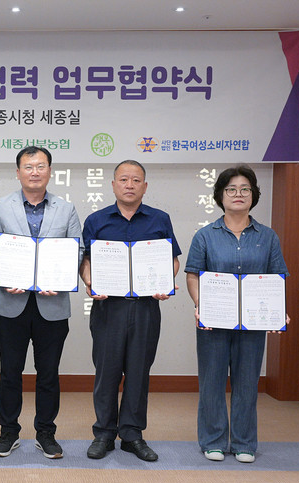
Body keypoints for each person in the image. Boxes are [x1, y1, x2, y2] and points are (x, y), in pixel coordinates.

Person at [185, 164, 288, 464]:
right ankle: (213, 441)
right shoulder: (205, 235)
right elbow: (193, 275)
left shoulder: (268, 237)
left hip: (253, 324)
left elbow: (277, 277)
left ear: (254, 195)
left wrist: (279, 313)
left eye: (245, 189)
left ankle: (244, 443)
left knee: (247, 384)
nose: (238, 194)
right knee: (212, 383)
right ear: (221, 195)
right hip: (214, 323)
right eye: (231, 189)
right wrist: (200, 305)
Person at [79, 160, 181, 462]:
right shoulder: (96, 220)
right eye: (123, 179)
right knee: (107, 372)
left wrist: (165, 282)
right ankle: (104, 433)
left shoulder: (159, 219)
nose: (129, 185)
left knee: (138, 372)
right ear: (113, 185)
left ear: (145, 186)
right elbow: (86, 261)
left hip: (146, 307)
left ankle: (132, 435)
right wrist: (89, 282)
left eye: (136, 180)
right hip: (108, 307)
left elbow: (173, 259)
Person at [0, 146, 83, 459]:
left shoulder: (66, 208)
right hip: (11, 302)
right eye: (28, 167)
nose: (34, 172)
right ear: (18, 172)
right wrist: (4, 276)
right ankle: (8, 432)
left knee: (49, 373)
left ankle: (46, 432)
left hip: (51, 305)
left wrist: (61, 279)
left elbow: (77, 250)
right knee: (9, 372)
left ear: (49, 171)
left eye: (41, 166)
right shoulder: (1, 206)